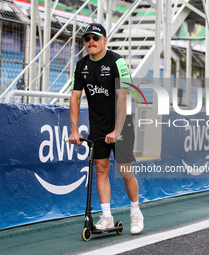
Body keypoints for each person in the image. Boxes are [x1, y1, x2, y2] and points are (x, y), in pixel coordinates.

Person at [68, 23, 144, 234]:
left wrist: (117, 130)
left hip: (122, 124)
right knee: (101, 169)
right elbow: (75, 97)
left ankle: (136, 212)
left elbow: (123, 96)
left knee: (125, 170)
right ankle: (107, 217)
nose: (90, 42)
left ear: (104, 41)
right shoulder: (81, 65)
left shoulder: (117, 62)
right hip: (98, 126)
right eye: (87, 39)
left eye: (95, 38)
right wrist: (74, 130)